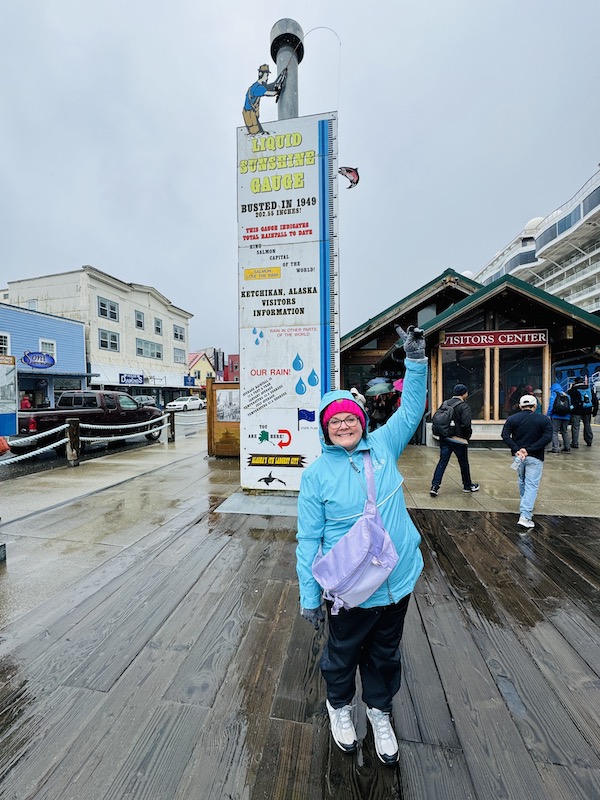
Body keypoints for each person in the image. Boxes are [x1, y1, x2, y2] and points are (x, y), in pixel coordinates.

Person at [296, 327, 427, 765]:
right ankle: (339, 708)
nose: (345, 424)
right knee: (342, 654)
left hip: (397, 578)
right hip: (351, 588)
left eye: (350, 417)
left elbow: (410, 411)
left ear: (362, 419)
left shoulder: (384, 447)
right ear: (325, 429)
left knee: (386, 655)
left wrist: (416, 361)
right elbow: (308, 540)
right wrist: (309, 596)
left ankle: (379, 711)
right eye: (335, 420)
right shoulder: (316, 476)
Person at [501, 393, 553, 529]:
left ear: (520, 406)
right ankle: (525, 515)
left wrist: (518, 449)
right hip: (535, 456)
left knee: (522, 481)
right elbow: (547, 438)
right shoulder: (544, 420)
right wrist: (529, 450)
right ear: (535, 406)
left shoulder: (512, 419)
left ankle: (526, 505)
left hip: (518, 456)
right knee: (531, 485)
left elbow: (505, 435)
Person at [430, 384, 479, 497]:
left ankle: (435, 486)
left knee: (442, 462)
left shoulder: (445, 403)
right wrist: (467, 436)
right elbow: (466, 424)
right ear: (464, 393)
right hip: (459, 440)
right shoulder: (464, 406)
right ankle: (467, 485)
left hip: (445, 437)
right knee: (463, 463)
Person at [242, 64, 285, 135]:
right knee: (255, 135)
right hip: (249, 114)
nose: (267, 77)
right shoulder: (257, 88)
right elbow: (270, 93)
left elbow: (270, 86)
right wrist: (278, 92)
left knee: (260, 133)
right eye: (266, 75)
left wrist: (281, 77)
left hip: (252, 113)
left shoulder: (258, 85)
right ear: (261, 74)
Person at [568, 376, 598, 447]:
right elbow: (595, 400)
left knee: (575, 427)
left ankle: (575, 443)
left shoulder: (572, 390)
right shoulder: (589, 389)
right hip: (587, 410)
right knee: (587, 425)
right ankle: (589, 441)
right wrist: (594, 411)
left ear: (575, 382)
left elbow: (570, 401)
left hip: (576, 412)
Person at [547, 382, 571, 453]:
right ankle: (567, 447)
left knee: (554, 432)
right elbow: (570, 406)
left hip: (556, 416)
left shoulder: (554, 394)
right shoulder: (567, 395)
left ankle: (555, 448)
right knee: (564, 431)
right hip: (566, 416)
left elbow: (551, 406)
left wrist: (548, 414)